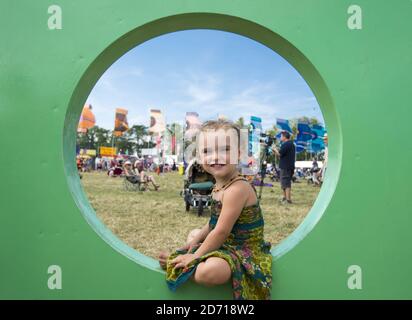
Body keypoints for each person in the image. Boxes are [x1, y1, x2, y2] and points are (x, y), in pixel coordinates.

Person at [158, 119, 272, 300]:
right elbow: (212, 224)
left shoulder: (237, 188)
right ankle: (189, 258)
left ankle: (190, 265)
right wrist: (187, 248)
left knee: (208, 272)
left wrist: (194, 257)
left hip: (244, 250)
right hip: (226, 244)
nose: (215, 156)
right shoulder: (218, 186)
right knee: (194, 234)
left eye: (225, 150)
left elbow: (221, 231)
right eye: (207, 151)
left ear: (239, 154)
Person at [272, 131, 295, 204]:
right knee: (284, 182)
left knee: (285, 182)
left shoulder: (286, 144)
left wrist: (275, 149)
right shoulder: (291, 144)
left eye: (281, 136)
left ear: (285, 137)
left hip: (285, 166)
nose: (280, 138)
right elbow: (282, 155)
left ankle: (288, 199)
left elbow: (280, 154)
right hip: (289, 166)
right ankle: (285, 198)